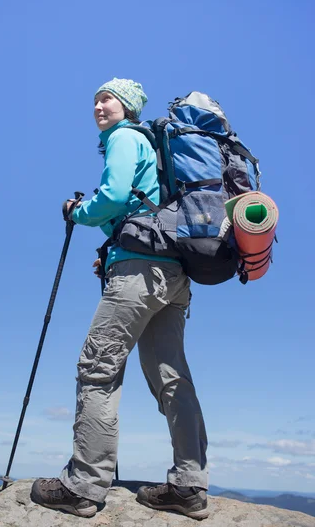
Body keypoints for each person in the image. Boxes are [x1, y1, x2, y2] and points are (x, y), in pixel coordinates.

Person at [30, 78, 209, 520]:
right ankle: (189, 486)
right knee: (171, 377)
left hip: (138, 273)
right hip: (172, 276)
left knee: (97, 367)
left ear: (127, 106)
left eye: (107, 98)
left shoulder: (125, 138)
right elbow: (138, 210)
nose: (98, 106)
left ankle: (83, 486)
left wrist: (78, 212)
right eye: (94, 100)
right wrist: (114, 251)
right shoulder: (154, 149)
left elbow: (110, 198)